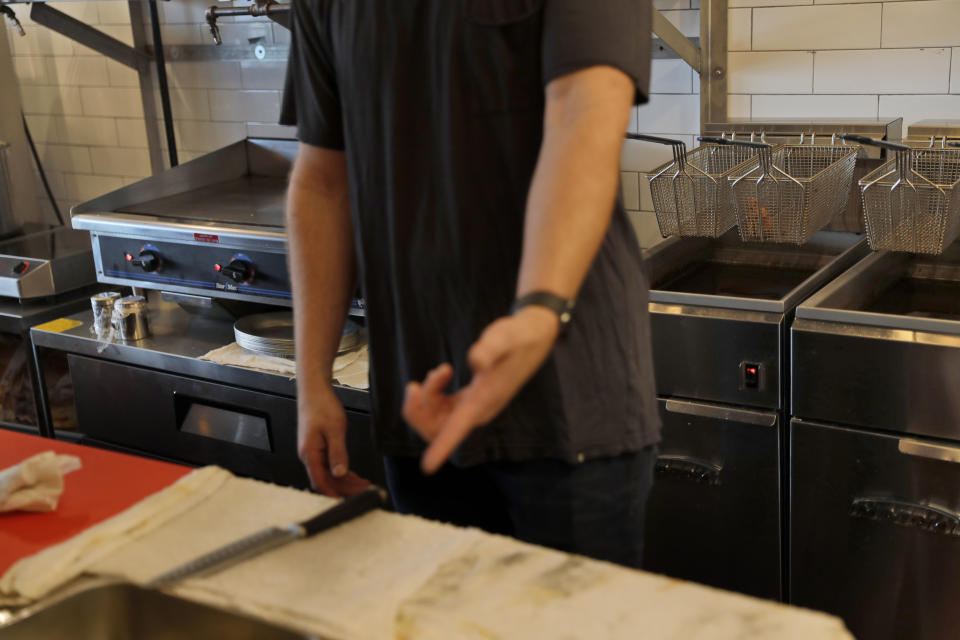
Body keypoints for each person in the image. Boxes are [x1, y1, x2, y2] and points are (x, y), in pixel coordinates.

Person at [281, 0, 660, 568]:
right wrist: (311, 381)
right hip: (419, 403)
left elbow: (583, 110)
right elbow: (322, 180)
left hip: (568, 399)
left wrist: (538, 310)